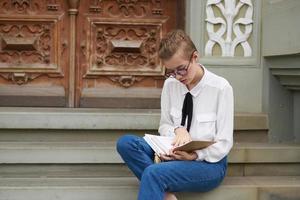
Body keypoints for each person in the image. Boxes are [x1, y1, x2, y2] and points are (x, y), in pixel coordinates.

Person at [116, 29, 234, 200]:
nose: (177, 77)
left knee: (153, 173)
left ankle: (157, 183)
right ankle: (164, 193)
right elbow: (164, 125)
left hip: (208, 164)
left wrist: (194, 155)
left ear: (195, 57)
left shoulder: (221, 88)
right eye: (171, 71)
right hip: (173, 153)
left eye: (181, 69)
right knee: (126, 143)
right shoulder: (170, 85)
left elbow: (224, 143)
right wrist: (177, 131)